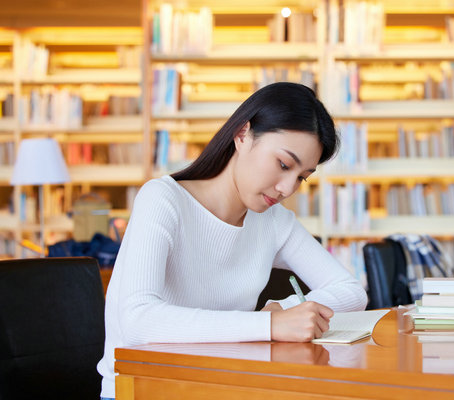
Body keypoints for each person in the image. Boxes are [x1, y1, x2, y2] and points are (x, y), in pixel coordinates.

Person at [97, 82, 368, 399]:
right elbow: (137, 320)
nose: (286, 188)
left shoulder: (273, 221)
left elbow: (350, 292)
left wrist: (286, 310)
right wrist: (268, 326)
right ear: (242, 134)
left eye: (301, 177)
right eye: (283, 164)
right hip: (145, 389)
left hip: (224, 387)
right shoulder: (163, 200)